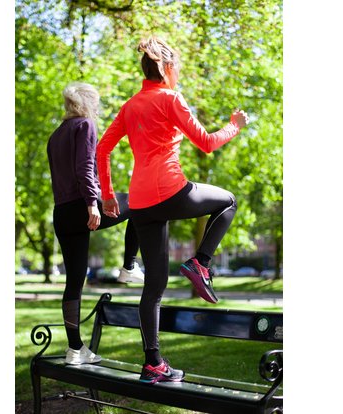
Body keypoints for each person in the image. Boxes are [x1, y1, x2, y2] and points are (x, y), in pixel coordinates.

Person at [96, 37, 249, 384]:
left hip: (141, 203)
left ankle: (153, 364)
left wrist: (108, 195)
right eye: (177, 67)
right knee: (228, 201)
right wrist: (234, 125)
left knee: (154, 286)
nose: (178, 72)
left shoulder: (130, 106)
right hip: (170, 191)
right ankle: (201, 263)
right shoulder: (170, 98)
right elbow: (207, 143)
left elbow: (102, 149)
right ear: (166, 68)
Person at [47, 82, 145, 365]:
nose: (98, 109)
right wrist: (93, 203)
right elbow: (84, 168)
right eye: (97, 103)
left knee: (74, 282)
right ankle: (129, 267)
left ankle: (75, 349)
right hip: (83, 205)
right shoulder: (85, 125)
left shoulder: (56, 135)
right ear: (87, 103)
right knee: (140, 201)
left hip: (62, 213)